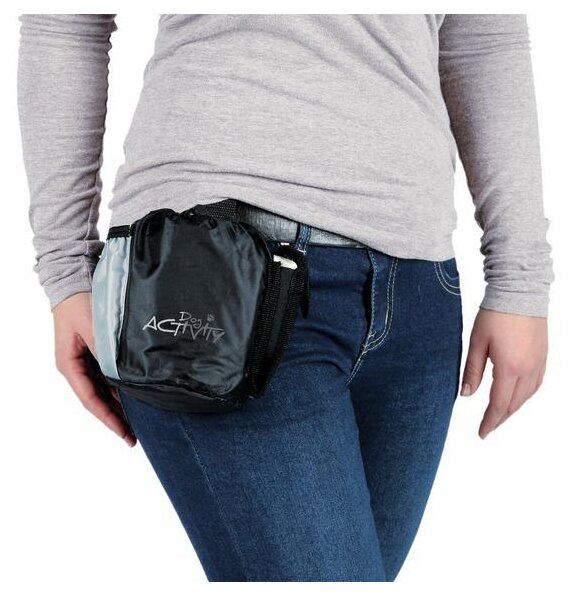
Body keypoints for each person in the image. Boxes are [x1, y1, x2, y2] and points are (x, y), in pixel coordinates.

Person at [17, 14, 554, 582]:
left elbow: (481, 37)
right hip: (219, 272)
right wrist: (65, 268)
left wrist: (520, 278)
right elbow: (65, 22)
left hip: (419, 285)